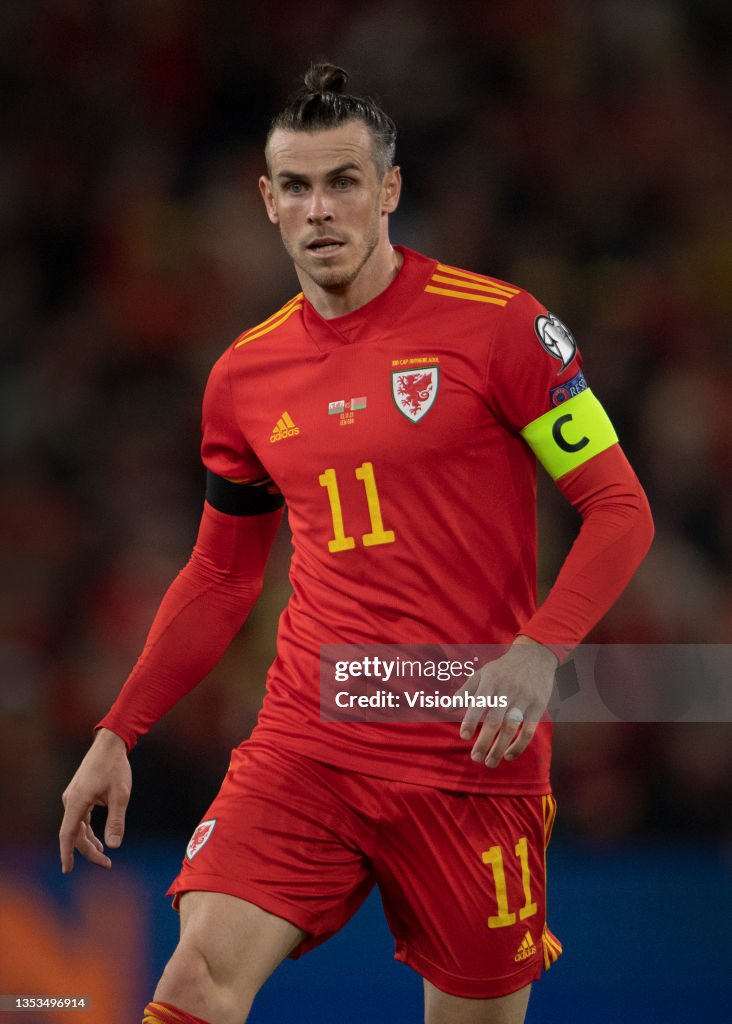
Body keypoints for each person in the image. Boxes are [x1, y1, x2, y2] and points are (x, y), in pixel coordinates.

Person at [59, 63, 654, 1024]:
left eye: (343, 182)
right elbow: (220, 573)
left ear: (389, 190)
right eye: (296, 186)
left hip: (470, 748)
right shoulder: (243, 378)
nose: (320, 208)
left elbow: (621, 508)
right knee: (193, 981)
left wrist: (542, 651)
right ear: (267, 201)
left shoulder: (502, 325)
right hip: (312, 737)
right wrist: (117, 730)